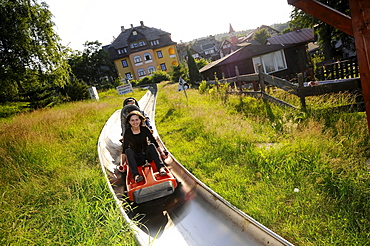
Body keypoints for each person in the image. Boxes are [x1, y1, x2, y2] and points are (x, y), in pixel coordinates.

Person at [121, 110, 167, 183]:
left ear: (140, 120)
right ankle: (136, 176)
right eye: (132, 120)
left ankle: (161, 168)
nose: (135, 122)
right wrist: (122, 164)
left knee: (151, 145)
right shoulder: (128, 132)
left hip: (147, 156)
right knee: (128, 151)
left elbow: (154, 141)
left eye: (137, 120)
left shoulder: (145, 129)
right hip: (137, 159)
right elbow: (124, 148)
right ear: (129, 122)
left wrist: (161, 153)